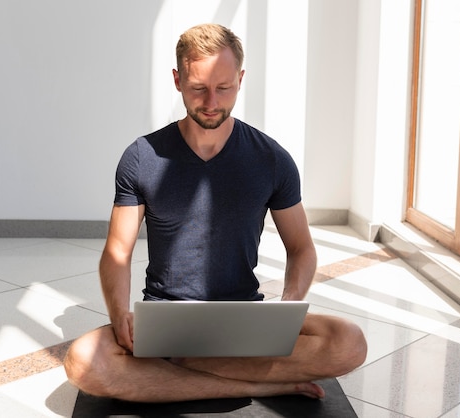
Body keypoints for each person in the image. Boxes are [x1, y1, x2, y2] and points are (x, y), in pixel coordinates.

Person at [64, 23, 367, 403]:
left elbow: (302, 248)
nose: (211, 101)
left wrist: (287, 308)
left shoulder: (272, 159)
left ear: (241, 79)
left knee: (349, 343)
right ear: (177, 80)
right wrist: (120, 312)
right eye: (198, 89)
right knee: (82, 362)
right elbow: (117, 252)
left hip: (245, 321)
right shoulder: (141, 157)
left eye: (224, 88)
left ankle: (178, 372)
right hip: (165, 321)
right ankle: (254, 385)